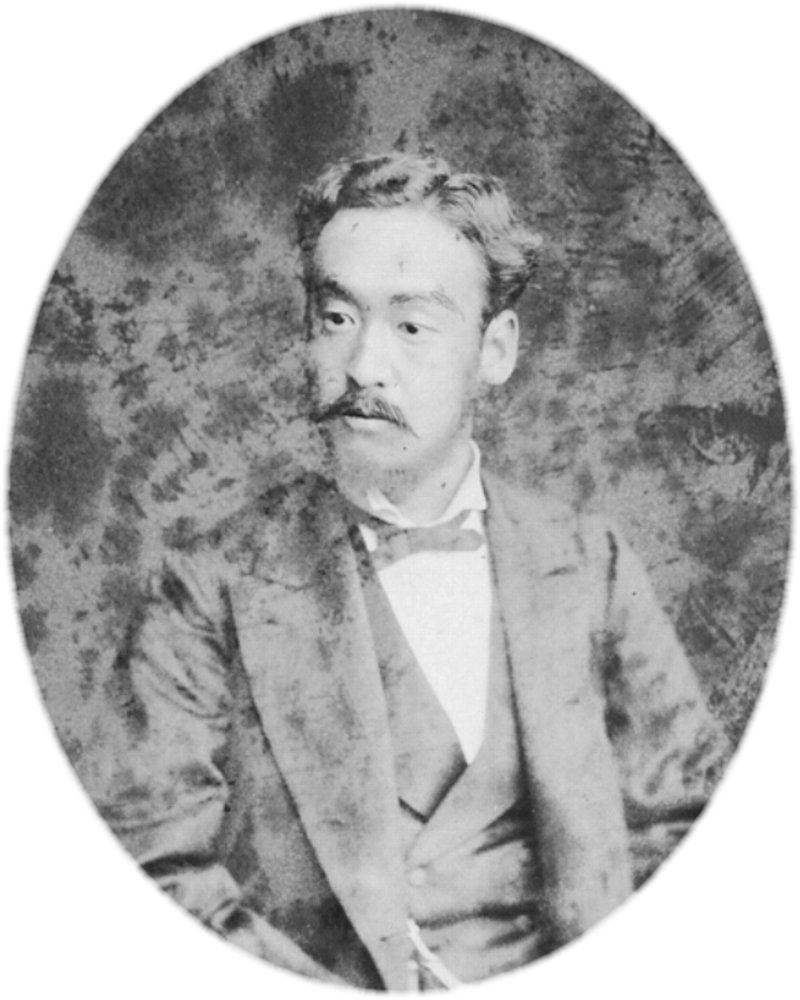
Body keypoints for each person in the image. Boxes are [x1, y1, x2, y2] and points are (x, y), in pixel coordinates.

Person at [96, 153, 729, 989]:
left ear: (495, 350)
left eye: (412, 327)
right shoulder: (207, 586)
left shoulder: (589, 564)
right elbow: (149, 871)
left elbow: (695, 839)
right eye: (335, 318)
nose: (363, 365)